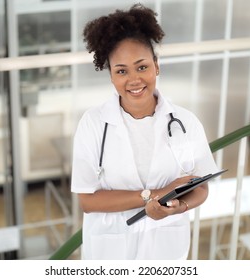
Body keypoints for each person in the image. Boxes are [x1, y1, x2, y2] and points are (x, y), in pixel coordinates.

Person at [71, 3, 218, 260]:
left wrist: (178, 207)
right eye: (121, 71)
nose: (134, 80)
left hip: (165, 251)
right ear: (111, 77)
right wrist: (153, 196)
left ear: (156, 66)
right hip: (110, 254)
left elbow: (201, 187)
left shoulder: (186, 122)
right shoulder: (93, 123)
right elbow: (88, 200)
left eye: (142, 67)